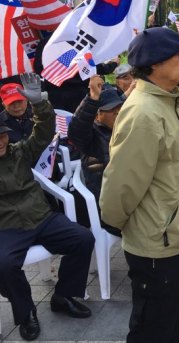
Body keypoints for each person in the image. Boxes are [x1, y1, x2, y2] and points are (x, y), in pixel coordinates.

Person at [100, 27, 179, 343]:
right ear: (155, 63)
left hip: (168, 235)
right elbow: (122, 185)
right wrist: (118, 223)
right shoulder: (144, 112)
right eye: (178, 55)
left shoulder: (164, 102)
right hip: (155, 241)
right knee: (153, 328)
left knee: (170, 323)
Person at [0, 73, 94, 341]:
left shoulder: (20, 151)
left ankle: (63, 296)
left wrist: (40, 102)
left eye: (2, 135)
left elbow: (43, 130)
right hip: (7, 227)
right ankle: (26, 312)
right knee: (4, 265)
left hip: (41, 217)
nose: (1, 141)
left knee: (82, 238)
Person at [67, 76, 124, 235]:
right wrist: (92, 99)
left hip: (133, 196)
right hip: (111, 207)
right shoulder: (91, 137)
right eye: (112, 110)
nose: (118, 113)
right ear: (98, 114)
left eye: (120, 108)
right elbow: (76, 130)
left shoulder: (128, 128)